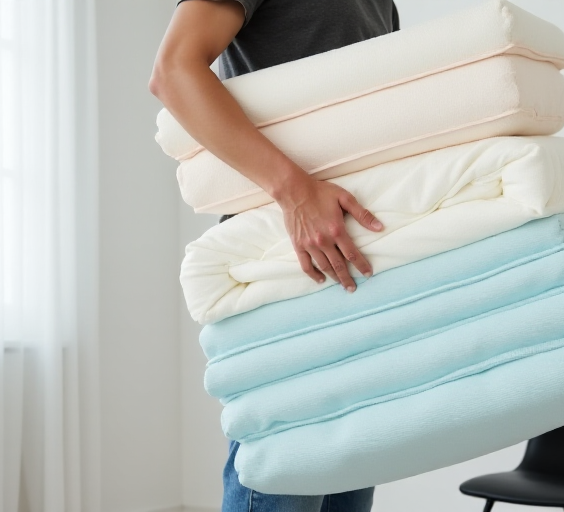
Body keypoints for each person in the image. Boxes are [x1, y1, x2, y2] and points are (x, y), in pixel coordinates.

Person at [149, 1, 399, 510]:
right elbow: (174, 71)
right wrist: (295, 192)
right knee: (283, 483)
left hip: (356, 264)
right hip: (282, 263)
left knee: (349, 483)